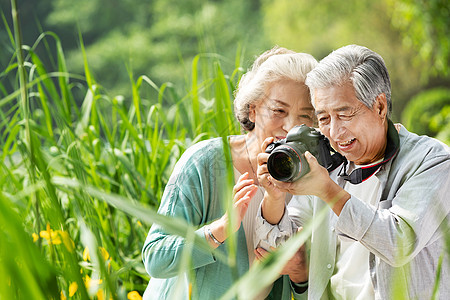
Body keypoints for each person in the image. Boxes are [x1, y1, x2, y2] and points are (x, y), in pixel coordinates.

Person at [254, 44, 450, 299]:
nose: (334, 133)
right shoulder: (326, 164)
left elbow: (399, 243)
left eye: (344, 114)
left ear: (379, 107)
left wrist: (328, 191)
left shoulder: (431, 161)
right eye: (323, 119)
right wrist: (275, 196)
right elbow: (284, 249)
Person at [141, 46, 318, 299]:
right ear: (253, 109)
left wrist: (301, 275)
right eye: (279, 111)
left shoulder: (312, 180)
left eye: (305, 116)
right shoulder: (203, 162)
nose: (290, 126)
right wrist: (221, 229)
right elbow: (156, 258)